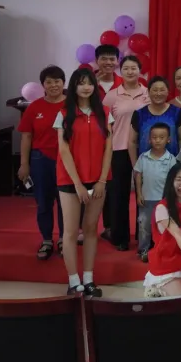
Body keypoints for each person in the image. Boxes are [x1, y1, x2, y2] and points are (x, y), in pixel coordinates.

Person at [54, 67, 113, 297]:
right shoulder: (64, 114)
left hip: (98, 180)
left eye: (89, 83)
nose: (86, 87)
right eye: (81, 83)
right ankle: (73, 281)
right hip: (70, 180)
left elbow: (108, 148)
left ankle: (88, 279)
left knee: (90, 229)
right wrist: (77, 184)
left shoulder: (105, 113)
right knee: (70, 232)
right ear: (74, 87)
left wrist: (101, 180)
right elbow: (63, 150)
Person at [99, 54, 149, 250]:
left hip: (143, 150)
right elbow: (103, 125)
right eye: (126, 68)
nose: (130, 72)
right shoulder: (112, 95)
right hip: (118, 149)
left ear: (140, 71)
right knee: (118, 194)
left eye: (133, 68)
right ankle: (120, 237)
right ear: (121, 71)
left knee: (144, 193)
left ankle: (143, 236)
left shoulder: (147, 93)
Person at [18, 65, 68, 260]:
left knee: (66, 202)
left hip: (67, 161)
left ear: (63, 83)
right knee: (43, 202)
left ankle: (64, 239)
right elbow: (26, 137)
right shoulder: (34, 107)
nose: (53, 85)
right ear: (43, 85)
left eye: (57, 81)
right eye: (49, 82)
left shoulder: (72, 105)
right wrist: (24, 164)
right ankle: (46, 240)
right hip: (41, 160)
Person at [143, 162, 181, 301]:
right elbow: (178, 235)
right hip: (168, 264)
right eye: (179, 179)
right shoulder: (162, 208)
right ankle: (156, 287)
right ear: (171, 181)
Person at [134, 123, 176, 263]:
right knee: (144, 225)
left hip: (163, 200)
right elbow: (138, 175)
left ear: (168, 139)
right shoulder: (143, 157)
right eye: (154, 137)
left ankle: (162, 250)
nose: (158, 140)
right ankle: (143, 250)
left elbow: (173, 180)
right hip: (146, 199)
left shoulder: (171, 159)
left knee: (163, 226)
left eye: (161, 137)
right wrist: (139, 194)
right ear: (149, 139)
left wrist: (170, 198)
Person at [129, 76, 181, 161]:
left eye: (162, 90)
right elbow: (132, 142)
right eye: (155, 90)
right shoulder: (139, 114)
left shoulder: (177, 112)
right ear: (148, 92)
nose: (158, 93)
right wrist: (135, 165)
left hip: (172, 164)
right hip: (145, 164)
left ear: (168, 92)